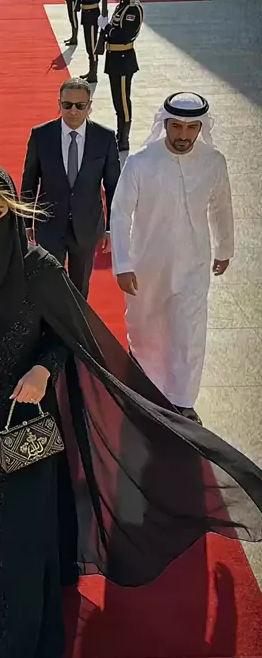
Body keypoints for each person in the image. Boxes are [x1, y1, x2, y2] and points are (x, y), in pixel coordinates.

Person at [0, 160, 262, 658]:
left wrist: (43, 368)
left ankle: (9, 655)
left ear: (13, 213)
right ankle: (23, 581)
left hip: (26, 422)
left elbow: (70, 337)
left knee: (17, 531)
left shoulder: (38, 269)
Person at [110, 92, 234, 424]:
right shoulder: (141, 163)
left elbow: (221, 207)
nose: (183, 135)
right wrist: (123, 264)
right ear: (164, 124)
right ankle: (148, 392)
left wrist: (225, 248)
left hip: (194, 263)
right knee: (147, 330)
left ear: (201, 128)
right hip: (148, 265)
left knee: (189, 332)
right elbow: (120, 214)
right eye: (176, 126)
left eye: (191, 128)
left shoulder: (213, 161)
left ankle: (183, 401)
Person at [20, 77, 120, 297]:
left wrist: (112, 228)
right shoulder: (41, 135)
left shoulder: (104, 137)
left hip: (87, 226)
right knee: (49, 283)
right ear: (59, 103)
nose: (73, 111)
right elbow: (29, 181)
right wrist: (25, 223)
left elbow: (113, 185)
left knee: (80, 286)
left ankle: (78, 319)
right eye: (67, 105)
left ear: (89, 106)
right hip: (49, 225)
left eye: (80, 105)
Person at [96, 0, 143, 157]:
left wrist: (106, 28)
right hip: (115, 59)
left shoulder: (133, 8)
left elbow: (123, 35)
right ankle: (119, 134)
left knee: (123, 102)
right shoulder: (122, 5)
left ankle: (124, 139)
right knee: (117, 100)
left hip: (123, 61)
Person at [77, 0, 103, 83]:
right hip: (87, 15)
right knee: (89, 45)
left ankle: (94, 73)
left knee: (92, 46)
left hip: (92, 15)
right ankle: (91, 70)